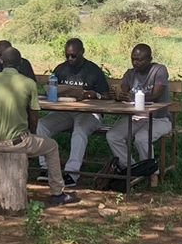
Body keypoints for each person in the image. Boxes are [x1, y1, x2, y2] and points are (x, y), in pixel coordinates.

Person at [0, 48, 77, 206]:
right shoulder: (28, 83)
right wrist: (32, 134)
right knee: (52, 146)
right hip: (16, 143)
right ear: (20, 63)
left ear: (1, 62)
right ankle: (57, 193)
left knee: (8, 140)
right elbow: (34, 116)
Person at [37, 38, 108, 184]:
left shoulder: (93, 70)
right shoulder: (61, 69)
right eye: (67, 55)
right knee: (42, 125)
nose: (70, 59)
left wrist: (92, 94)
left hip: (89, 113)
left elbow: (106, 95)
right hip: (66, 111)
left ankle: (71, 173)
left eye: (74, 56)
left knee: (79, 130)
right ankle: (46, 168)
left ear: (82, 52)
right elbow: (51, 89)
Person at [104, 43, 173, 183]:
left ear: (150, 59)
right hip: (137, 117)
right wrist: (119, 94)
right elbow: (123, 90)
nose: (136, 63)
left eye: (140, 60)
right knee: (112, 136)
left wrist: (133, 97)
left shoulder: (159, 70)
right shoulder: (131, 73)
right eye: (133, 59)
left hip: (159, 118)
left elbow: (156, 95)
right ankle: (133, 169)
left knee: (142, 138)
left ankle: (152, 173)